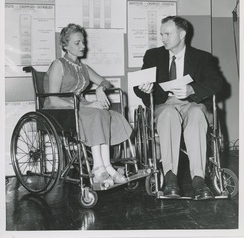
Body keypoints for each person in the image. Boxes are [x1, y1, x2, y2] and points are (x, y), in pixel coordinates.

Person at [134, 16, 223, 200]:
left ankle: (198, 179)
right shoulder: (153, 55)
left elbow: (217, 83)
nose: (163, 38)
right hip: (164, 104)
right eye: (161, 34)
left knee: (198, 113)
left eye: (167, 34)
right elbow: (138, 86)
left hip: (192, 103)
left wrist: (192, 89)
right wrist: (145, 88)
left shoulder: (202, 57)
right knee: (168, 114)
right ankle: (170, 179)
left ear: (182, 34)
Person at [44, 23, 132, 187]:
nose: (83, 46)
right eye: (77, 43)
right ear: (65, 45)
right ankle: (98, 168)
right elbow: (53, 99)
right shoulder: (58, 64)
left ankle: (106, 166)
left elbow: (105, 82)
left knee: (105, 112)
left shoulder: (82, 67)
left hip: (79, 104)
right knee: (95, 112)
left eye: (83, 42)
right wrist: (86, 106)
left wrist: (100, 89)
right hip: (60, 108)